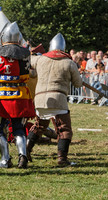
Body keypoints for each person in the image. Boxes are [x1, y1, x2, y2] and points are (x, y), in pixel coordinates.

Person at [0, 22, 35, 169]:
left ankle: (5, 159)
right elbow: (28, 75)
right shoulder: (26, 54)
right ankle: (22, 155)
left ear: (3, 38)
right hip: (20, 96)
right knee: (19, 128)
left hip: (1, 98)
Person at [26, 33, 83, 166]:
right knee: (64, 130)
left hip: (40, 99)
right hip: (58, 99)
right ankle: (62, 159)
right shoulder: (69, 63)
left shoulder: (40, 60)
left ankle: (25, 151)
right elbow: (78, 84)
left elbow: (27, 59)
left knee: (39, 126)